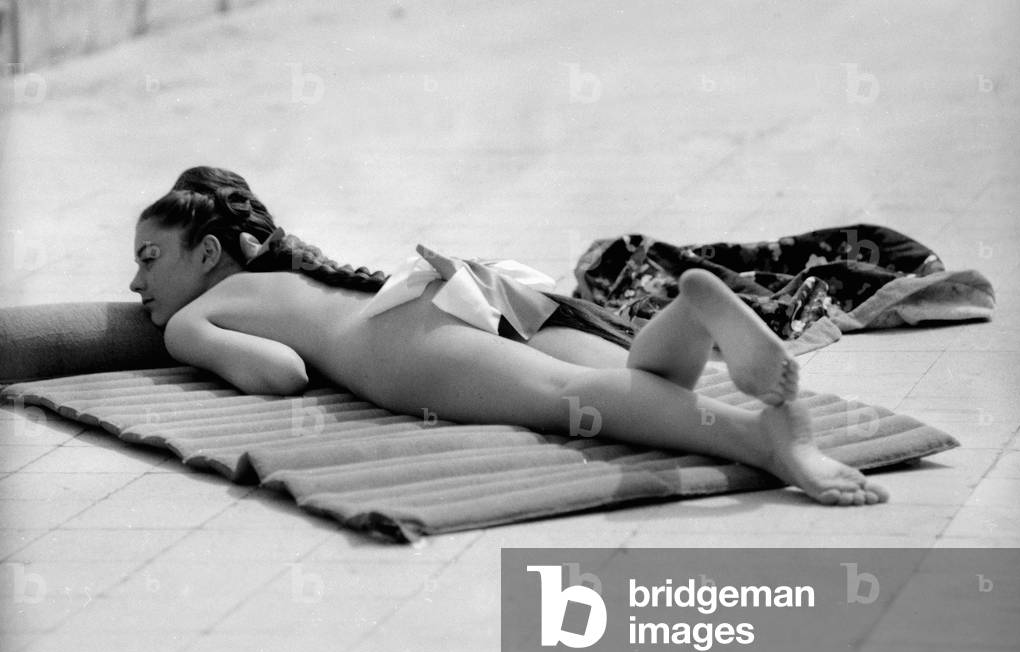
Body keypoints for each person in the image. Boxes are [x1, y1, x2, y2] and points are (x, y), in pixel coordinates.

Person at [130, 166, 888, 506]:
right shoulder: (295, 269)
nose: (136, 284)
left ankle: (766, 441)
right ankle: (692, 313)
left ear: (208, 252)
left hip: (394, 343)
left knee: (574, 396)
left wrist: (190, 342)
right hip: (448, 287)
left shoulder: (195, 315)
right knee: (637, 380)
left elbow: (280, 374)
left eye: (149, 259)